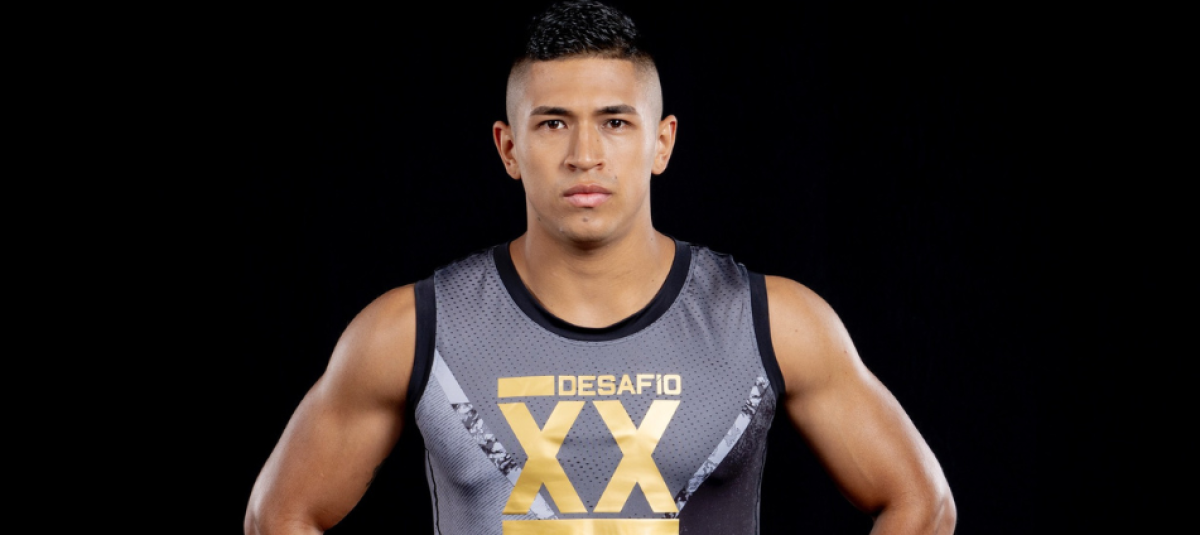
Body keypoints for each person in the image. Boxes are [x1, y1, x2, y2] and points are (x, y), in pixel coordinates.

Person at [244, 1, 956, 533]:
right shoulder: (413, 329)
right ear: (509, 148)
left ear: (661, 142)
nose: (584, 155)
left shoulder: (770, 320)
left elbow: (921, 504)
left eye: (615, 122)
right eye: (553, 122)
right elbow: (279, 516)